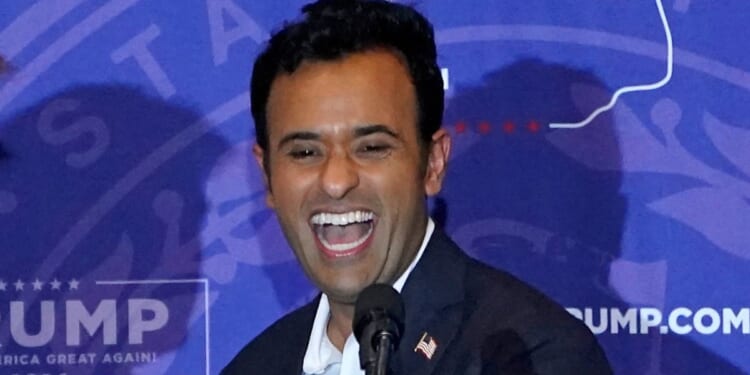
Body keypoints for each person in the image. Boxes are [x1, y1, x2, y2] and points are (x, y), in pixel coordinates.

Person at [222, 0, 612, 373]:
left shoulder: (526, 354)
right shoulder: (255, 366)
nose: (336, 181)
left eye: (372, 147)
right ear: (267, 175)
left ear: (433, 163)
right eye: (305, 152)